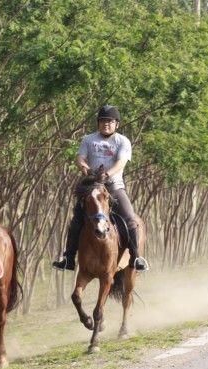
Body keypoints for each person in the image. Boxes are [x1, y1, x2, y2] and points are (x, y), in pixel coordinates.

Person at [52, 105, 149, 272]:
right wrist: (86, 170)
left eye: (110, 121)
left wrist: (107, 175)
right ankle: (68, 258)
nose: (106, 124)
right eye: (103, 121)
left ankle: (136, 257)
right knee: (76, 221)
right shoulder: (88, 139)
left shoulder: (122, 141)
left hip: (114, 187)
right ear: (98, 123)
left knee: (130, 219)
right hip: (93, 188)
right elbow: (80, 158)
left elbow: (121, 162)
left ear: (116, 124)